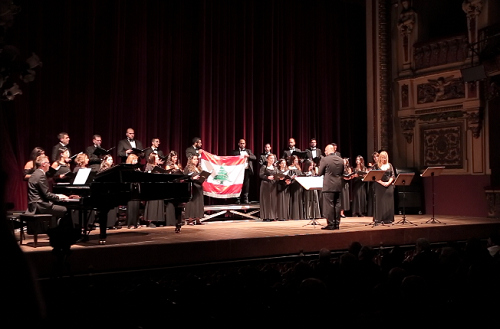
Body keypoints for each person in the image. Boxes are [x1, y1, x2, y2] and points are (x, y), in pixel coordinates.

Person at [27, 155, 70, 223]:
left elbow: (43, 193)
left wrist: (57, 195)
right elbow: (46, 195)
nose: (49, 165)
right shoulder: (41, 175)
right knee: (66, 210)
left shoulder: (35, 174)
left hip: (34, 205)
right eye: (48, 163)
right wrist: (59, 197)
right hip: (41, 206)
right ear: (43, 164)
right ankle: (63, 231)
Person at [318, 144, 344, 230]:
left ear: (329, 150)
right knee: (337, 205)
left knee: (329, 205)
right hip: (339, 185)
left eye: (325, 150)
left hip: (329, 186)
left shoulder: (325, 159)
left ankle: (331, 224)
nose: (324, 152)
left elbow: (320, 173)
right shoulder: (341, 160)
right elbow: (342, 172)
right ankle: (337, 224)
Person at [373, 151, 395, 224]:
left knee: (389, 202)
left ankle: (388, 219)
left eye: (385, 157)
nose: (384, 159)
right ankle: (379, 218)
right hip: (379, 185)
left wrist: (388, 183)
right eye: (382, 157)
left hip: (389, 185)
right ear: (380, 158)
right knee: (380, 202)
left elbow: (392, 175)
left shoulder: (390, 165)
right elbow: (374, 177)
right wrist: (382, 183)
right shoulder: (376, 166)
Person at [143, 153, 165, 228]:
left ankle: (158, 220)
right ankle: (151, 221)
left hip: (159, 186)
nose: (158, 158)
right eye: (156, 157)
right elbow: (145, 175)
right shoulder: (149, 165)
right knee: (153, 204)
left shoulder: (158, 166)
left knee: (159, 203)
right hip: (152, 187)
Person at [232, 139, 256, 204]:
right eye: (241, 143)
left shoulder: (248, 151)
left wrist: (248, 156)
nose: (242, 144)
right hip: (238, 171)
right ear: (238, 144)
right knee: (238, 184)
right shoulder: (235, 152)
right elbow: (231, 160)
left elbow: (254, 157)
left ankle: (246, 199)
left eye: (243, 143)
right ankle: (237, 199)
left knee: (246, 185)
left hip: (247, 170)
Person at [183, 155, 205, 227]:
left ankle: (198, 219)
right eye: (194, 159)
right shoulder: (188, 168)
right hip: (192, 187)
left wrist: (204, 177)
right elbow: (185, 178)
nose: (196, 160)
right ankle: (190, 219)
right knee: (192, 203)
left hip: (199, 187)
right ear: (191, 160)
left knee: (199, 203)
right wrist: (193, 178)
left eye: (197, 159)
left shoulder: (198, 168)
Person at [259, 153, 277, 221]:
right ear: (267, 159)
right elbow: (261, 175)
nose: (272, 160)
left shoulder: (275, 167)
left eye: (273, 158)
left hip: (273, 185)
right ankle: (266, 216)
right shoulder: (264, 167)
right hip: (266, 185)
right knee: (266, 201)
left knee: (273, 200)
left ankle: (272, 216)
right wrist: (267, 177)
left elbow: (277, 174)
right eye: (271, 158)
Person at [125, 154, 142, 229]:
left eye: (136, 160)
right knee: (131, 206)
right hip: (130, 189)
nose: (136, 162)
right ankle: (130, 223)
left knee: (136, 206)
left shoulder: (137, 169)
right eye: (134, 160)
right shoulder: (127, 169)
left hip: (137, 188)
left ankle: (136, 222)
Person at [288, 155, 304, 220]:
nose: (297, 161)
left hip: (299, 185)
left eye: (297, 160)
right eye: (295, 160)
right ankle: (294, 215)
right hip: (293, 185)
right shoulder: (289, 168)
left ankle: (299, 215)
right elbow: (288, 176)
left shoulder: (298, 167)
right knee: (294, 199)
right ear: (292, 160)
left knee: (299, 199)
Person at [366, 151, 379, 217]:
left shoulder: (380, 165)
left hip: (379, 183)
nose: (375, 158)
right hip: (372, 183)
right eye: (374, 157)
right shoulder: (372, 165)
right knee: (372, 198)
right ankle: (372, 213)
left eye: (376, 156)